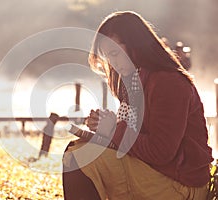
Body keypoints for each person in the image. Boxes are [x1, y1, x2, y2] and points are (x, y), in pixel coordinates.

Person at [62, 11, 213, 199]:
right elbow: (135, 137)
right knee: (76, 150)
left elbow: (160, 152)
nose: (112, 63)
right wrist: (105, 126)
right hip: (157, 170)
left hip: (181, 183)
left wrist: (113, 130)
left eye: (115, 53)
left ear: (136, 45)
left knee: (81, 159)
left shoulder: (168, 82)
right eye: (108, 56)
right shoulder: (135, 81)